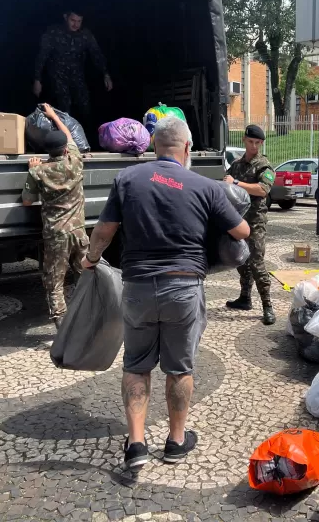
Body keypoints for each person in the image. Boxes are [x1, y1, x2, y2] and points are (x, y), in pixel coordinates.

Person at [81, 116, 250, 469]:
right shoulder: (204, 186)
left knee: (136, 366)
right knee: (179, 369)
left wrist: (90, 259)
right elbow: (242, 230)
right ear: (186, 148)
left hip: (139, 287)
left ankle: (137, 445)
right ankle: (175, 442)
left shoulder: (127, 179)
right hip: (183, 289)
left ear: (152, 146)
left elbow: (104, 230)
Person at [21, 103, 86, 328]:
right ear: (66, 150)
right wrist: (53, 116)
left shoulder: (39, 171)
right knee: (84, 275)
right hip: (79, 233)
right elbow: (69, 136)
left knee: (54, 280)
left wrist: (32, 168)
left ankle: (62, 324)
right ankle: (89, 316)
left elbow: (27, 201)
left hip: (56, 234)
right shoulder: (75, 162)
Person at [224, 124, 277, 325]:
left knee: (256, 263)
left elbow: (263, 190)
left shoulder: (264, 165)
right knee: (240, 260)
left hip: (255, 222)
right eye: (250, 142)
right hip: (238, 220)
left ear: (261, 143)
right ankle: (245, 298)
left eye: (257, 143)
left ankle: (267, 306)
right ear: (245, 141)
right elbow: (226, 183)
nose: (254, 146)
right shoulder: (237, 165)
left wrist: (236, 183)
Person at [33, 11, 112, 126]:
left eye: (79, 21)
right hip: (57, 75)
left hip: (77, 75)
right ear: (65, 17)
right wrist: (37, 79)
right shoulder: (54, 32)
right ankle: (65, 139)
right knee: (64, 107)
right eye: (73, 20)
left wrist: (106, 74)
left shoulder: (85, 34)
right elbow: (42, 56)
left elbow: (96, 54)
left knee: (85, 106)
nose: (76, 24)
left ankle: (85, 137)